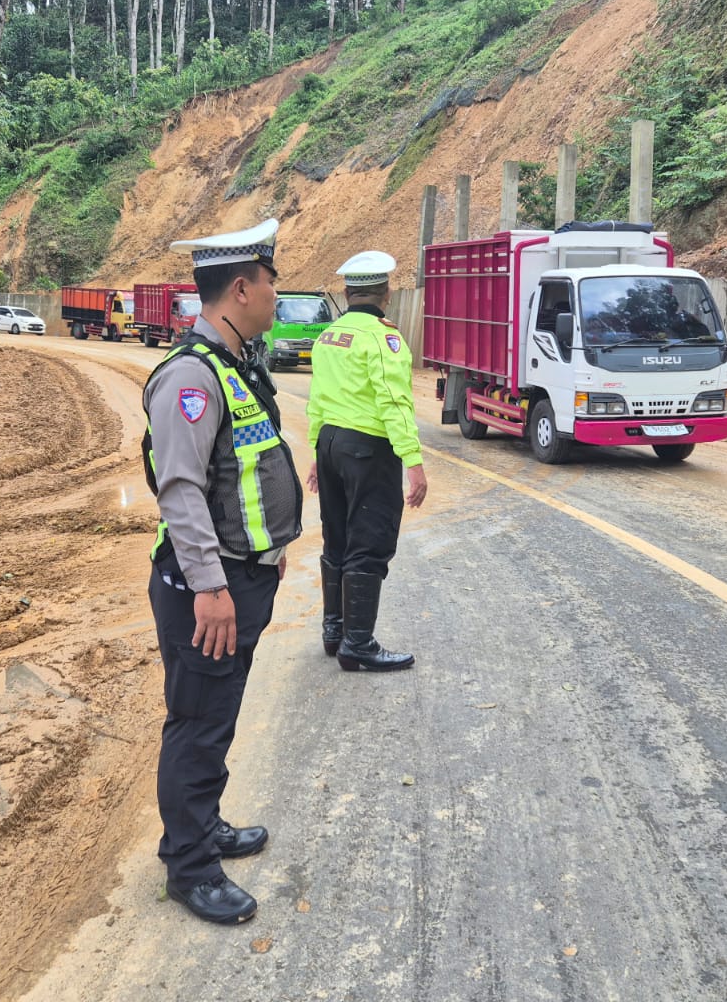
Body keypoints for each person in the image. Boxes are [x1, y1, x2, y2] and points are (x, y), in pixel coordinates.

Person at [140, 217, 303, 925]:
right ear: (241, 287)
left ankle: (201, 827)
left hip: (243, 577)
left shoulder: (237, 364)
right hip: (208, 588)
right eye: (271, 284)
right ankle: (189, 866)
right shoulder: (191, 379)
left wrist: (267, 549)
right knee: (198, 724)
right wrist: (210, 586)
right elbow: (179, 491)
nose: (276, 296)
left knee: (217, 717)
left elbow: (241, 475)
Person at [305, 250, 427, 672]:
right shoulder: (383, 338)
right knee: (369, 539)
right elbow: (395, 402)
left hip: (331, 445)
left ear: (347, 292)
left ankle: (334, 630)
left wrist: (316, 453)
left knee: (335, 537)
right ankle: (358, 643)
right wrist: (413, 462)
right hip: (367, 448)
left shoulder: (328, 337)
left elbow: (317, 400)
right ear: (386, 294)